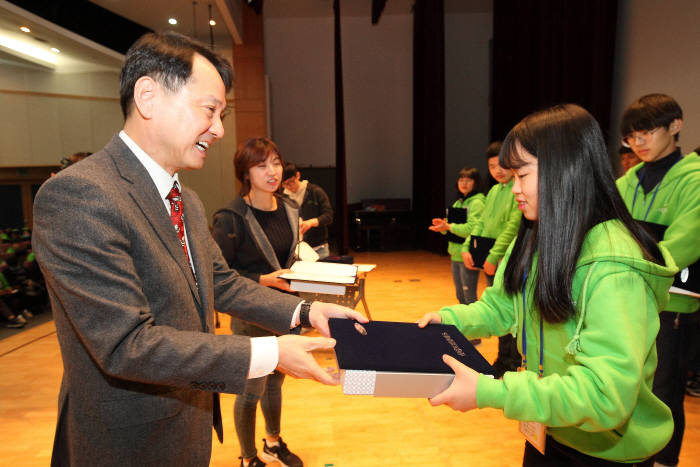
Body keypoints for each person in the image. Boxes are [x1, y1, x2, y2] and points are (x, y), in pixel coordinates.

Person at [31, 32, 366, 467]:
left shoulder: (185, 199)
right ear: (148, 96)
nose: (220, 129)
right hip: (126, 440)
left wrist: (306, 312)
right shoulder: (81, 195)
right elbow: (125, 345)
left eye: (222, 114)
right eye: (209, 110)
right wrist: (270, 352)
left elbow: (220, 282)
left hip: (187, 426)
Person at [418, 103, 678, 465]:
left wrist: (492, 391)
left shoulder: (614, 266)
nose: (514, 190)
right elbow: (502, 305)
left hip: (607, 451)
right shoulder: (538, 234)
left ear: (565, 170)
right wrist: (449, 322)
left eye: (522, 175)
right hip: (550, 424)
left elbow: (606, 395)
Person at [616, 94, 700, 467]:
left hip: (671, 306)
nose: (639, 143)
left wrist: (627, 264)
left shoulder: (694, 180)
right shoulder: (625, 182)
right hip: (624, 302)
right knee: (627, 387)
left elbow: (684, 242)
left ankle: (664, 461)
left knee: (664, 393)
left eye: (646, 132)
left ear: (675, 126)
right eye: (631, 136)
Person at [212, 138, 303, 467]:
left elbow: (290, 257)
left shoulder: (290, 209)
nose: (272, 171)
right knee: (250, 391)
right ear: (245, 173)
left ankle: (273, 442)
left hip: (284, 312)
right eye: (261, 165)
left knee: (277, 381)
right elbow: (218, 275)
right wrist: (263, 280)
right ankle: (248, 457)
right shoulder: (231, 217)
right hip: (250, 313)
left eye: (276, 163)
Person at [462, 142, 522, 376]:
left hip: (509, 260)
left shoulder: (516, 189)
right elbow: (481, 224)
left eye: (501, 165)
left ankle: (512, 363)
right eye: (492, 166)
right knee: (498, 309)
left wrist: (494, 256)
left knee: (510, 312)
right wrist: (468, 246)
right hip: (492, 259)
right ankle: (501, 360)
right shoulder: (495, 191)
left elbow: (512, 227)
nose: (497, 170)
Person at [429, 167, 485, 309]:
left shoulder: (477, 203)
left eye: (468, 180)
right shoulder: (458, 202)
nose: (464, 183)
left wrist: (448, 227)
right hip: (455, 254)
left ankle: (476, 328)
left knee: (469, 297)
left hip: (468, 255)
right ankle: (465, 328)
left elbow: (472, 229)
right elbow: (451, 228)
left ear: (476, 183)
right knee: (460, 296)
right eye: (461, 180)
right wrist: (442, 227)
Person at [281, 162, 333, 258]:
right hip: (296, 250)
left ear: (298, 175)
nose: (289, 186)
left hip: (319, 247)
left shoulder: (315, 191)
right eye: (285, 184)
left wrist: (311, 222)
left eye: (291, 182)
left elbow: (328, 216)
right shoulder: (282, 198)